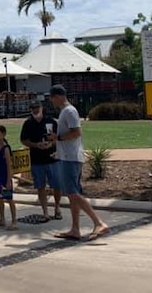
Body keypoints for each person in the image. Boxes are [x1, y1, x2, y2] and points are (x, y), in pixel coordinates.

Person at [46, 84, 110, 241]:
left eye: (52, 97)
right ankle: (75, 229)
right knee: (72, 193)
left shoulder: (69, 111)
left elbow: (76, 132)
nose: (51, 101)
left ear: (59, 96)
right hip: (67, 156)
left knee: (72, 193)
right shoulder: (65, 112)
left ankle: (99, 222)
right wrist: (58, 149)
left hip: (71, 158)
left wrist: (58, 138)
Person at [20, 99, 62, 222]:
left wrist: (51, 144)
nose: (35, 110)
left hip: (52, 158)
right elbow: (23, 140)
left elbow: (58, 137)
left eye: (37, 107)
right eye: (33, 108)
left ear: (42, 107)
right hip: (37, 159)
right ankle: (45, 212)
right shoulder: (28, 123)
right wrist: (35, 145)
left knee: (57, 185)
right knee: (40, 186)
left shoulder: (51, 121)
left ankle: (57, 207)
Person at [0, 124, 17, 230]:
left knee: (9, 199)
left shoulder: (6, 148)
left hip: (4, 176)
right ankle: (2, 218)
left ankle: (14, 221)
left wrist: (8, 180)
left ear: (4, 134)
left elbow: (9, 165)